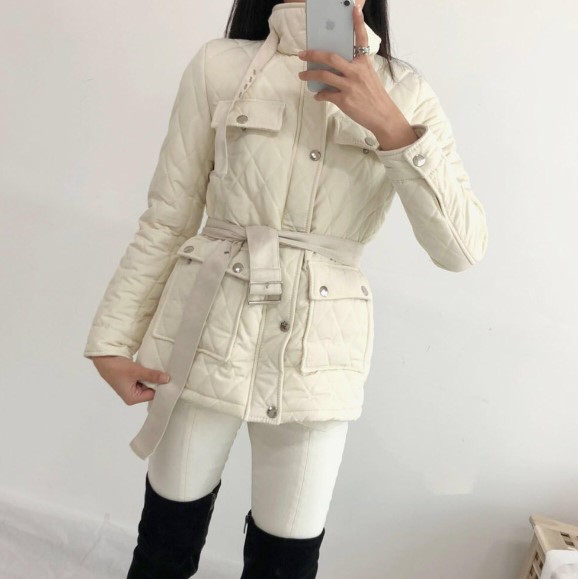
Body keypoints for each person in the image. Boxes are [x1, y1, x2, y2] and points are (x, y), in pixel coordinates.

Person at [83, 0, 488, 577]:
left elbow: (461, 250)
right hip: (204, 333)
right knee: (163, 550)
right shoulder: (219, 66)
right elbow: (169, 217)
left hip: (317, 356)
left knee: (286, 563)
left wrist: (392, 126)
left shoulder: (405, 91)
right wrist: (112, 338)